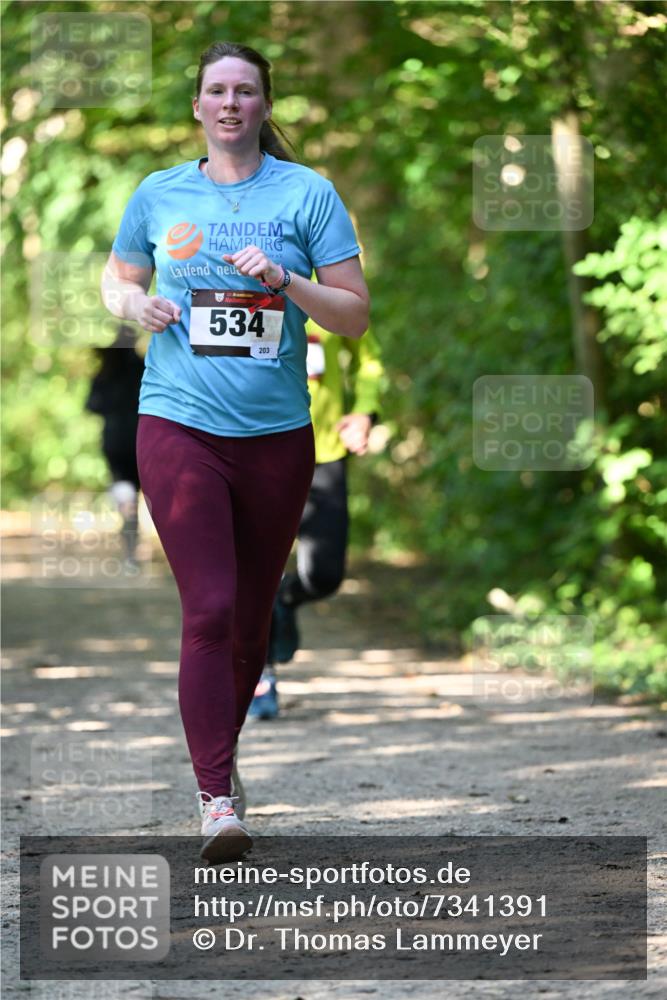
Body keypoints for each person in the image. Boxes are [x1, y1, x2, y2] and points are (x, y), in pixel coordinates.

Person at [100, 41, 369, 862]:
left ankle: (225, 758)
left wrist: (286, 283)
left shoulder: (307, 193)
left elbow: (353, 314)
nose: (229, 103)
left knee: (251, 622)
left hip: (277, 437)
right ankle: (214, 800)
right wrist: (135, 306)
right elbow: (116, 280)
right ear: (197, 106)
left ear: (263, 105)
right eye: (215, 90)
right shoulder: (159, 192)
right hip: (177, 424)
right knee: (210, 608)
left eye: (244, 91)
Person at [250, 319, 384, 719]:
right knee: (254, 574)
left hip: (322, 451)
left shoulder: (332, 290)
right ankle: (261, 679)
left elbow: (368, 359)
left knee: (325, 576)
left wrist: (364, 412)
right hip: (256, 447)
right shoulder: (242, 288)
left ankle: (285, 598)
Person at [85, 325, 145, 567]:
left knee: (126, 497)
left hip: (115, 443)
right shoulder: (144, 368)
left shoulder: (106, 371)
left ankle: (130, 552)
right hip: (140, 441)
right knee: (138, 496)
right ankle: (133, 551)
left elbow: (92, 405)